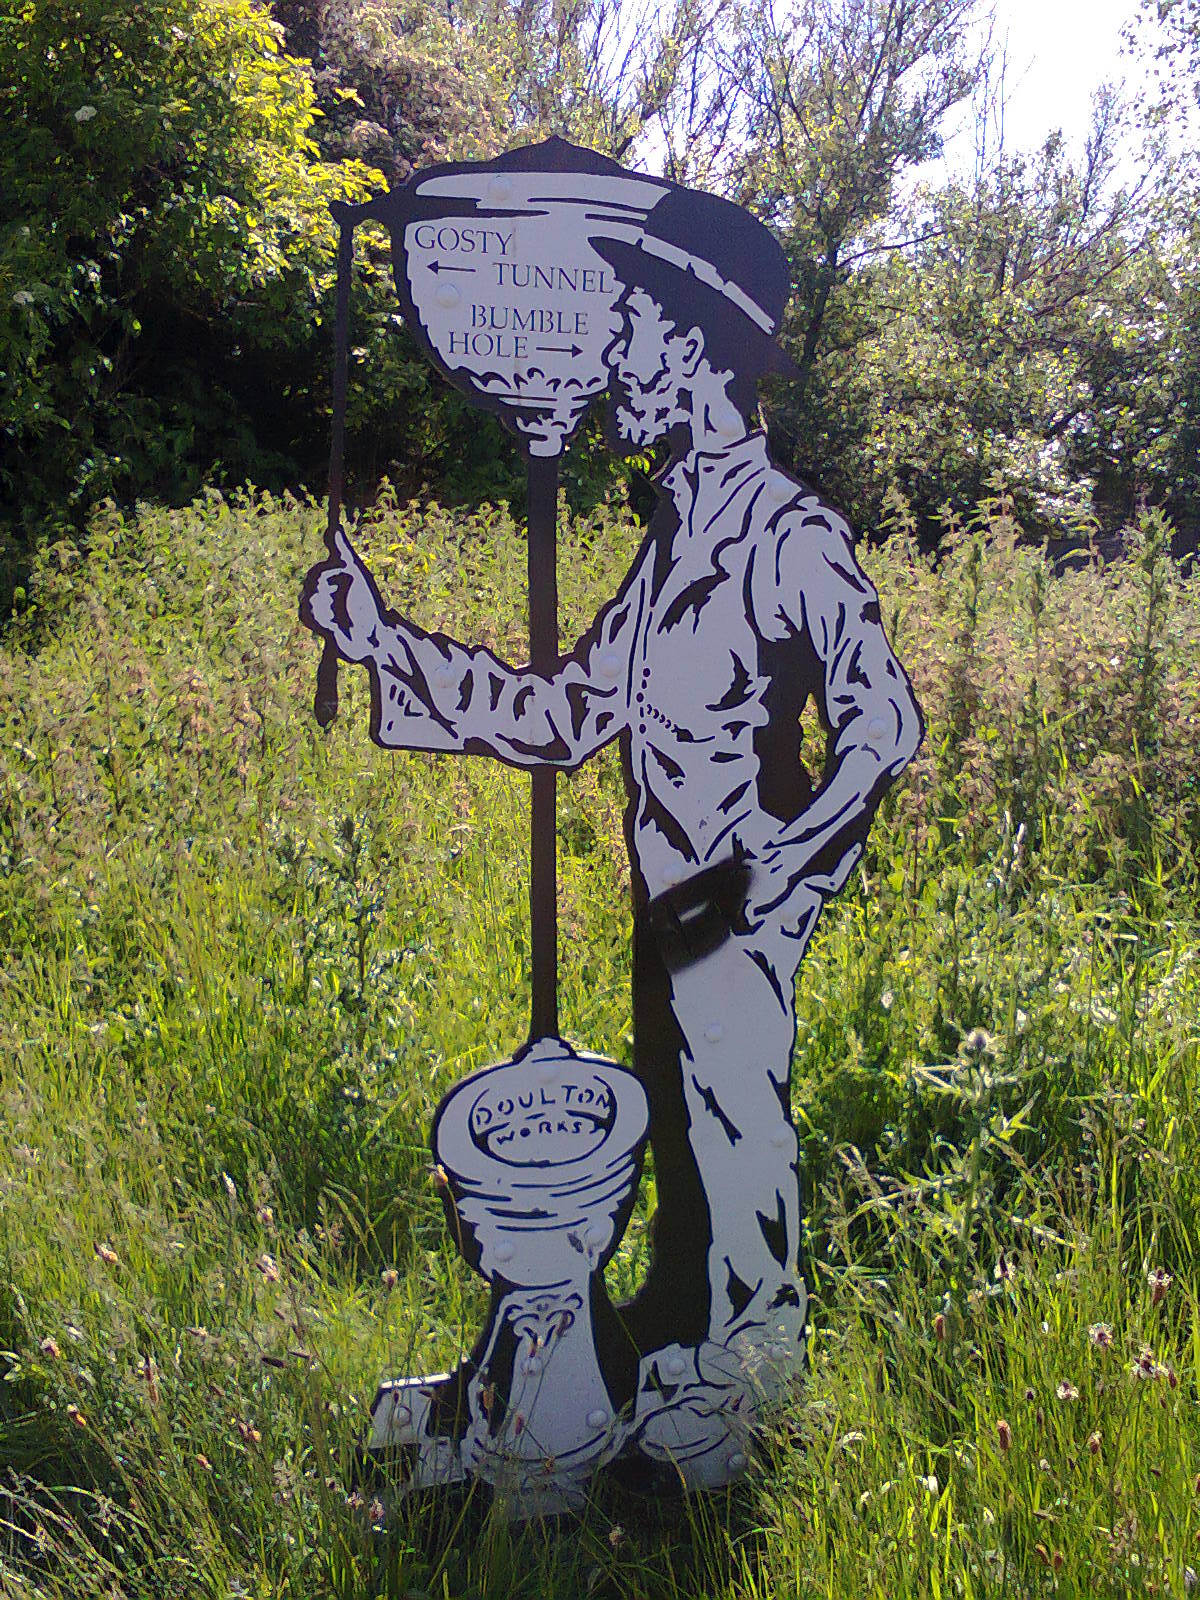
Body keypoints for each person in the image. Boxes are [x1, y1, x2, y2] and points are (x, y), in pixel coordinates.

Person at [301, 186, 922, 1487]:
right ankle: (684, 1352)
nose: (612, 353)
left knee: (739, 1140)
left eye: (632, 325)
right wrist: (383, 643)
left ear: (692, 350)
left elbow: (884, 722)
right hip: (668, 907)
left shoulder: (787, 534)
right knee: (690, 1144)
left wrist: (785, 877)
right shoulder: (677, 541)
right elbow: (562, 714)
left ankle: (749, 1397)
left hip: (732, 916)